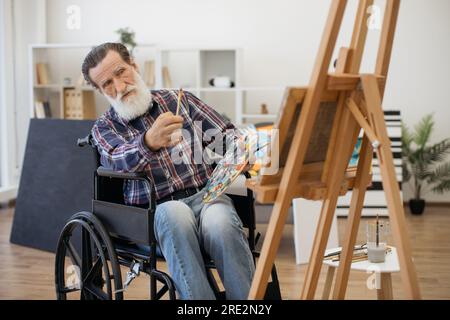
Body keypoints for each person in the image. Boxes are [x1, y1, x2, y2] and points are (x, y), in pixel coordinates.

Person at [82, 42, 255, 300]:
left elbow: (227, 136)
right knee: (174, 213)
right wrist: (148, 142)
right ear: (100, 91)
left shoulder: (179, 100)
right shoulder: (105, 127)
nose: (119, 87)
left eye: (121, 72)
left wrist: (243, 150)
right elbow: (116, 161)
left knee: (221, 224)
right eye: (107, 84)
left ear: (134, 65)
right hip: (155, 212)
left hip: (207, 196)